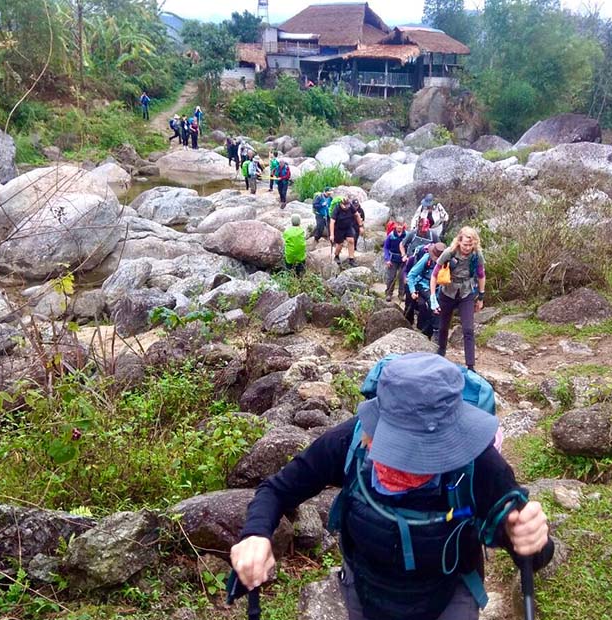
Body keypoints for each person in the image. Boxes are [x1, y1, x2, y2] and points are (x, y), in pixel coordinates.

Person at [230, 352, 553, 620]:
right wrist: (256, 534)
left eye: (424, 455)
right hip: (366, 591)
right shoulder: (350, 442)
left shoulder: (477, 464)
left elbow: (530, 555)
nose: (404, 465)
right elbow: (277, 490)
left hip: (448, 596)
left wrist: (530, 540)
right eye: (396, 449)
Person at [430, 227, 486, 372]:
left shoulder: (477, 255)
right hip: (447, 292)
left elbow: (481, 275)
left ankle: (470, 365)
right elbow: (435, 274)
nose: (467, 248)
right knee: (443, 327)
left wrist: (481, 296)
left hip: (466, 293)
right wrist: (432, 297)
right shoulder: (449, 252)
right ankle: (441, 353)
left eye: (470, 245)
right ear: (459, 241)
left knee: (468, 329)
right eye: (465, 244)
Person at [407, 242, 446, 339]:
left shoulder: (448, 262)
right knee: (432, 304)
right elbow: (411, 275)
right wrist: (412, 291)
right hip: (422, 285)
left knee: (435, 306)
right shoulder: (426, 258)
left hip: (439, 288)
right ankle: (435, 332)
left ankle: (428, 331)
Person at [330, 196, 363, 268]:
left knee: (351, 241)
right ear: (341, 204)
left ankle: (351, 259)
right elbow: (332, 222)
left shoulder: (350, 206)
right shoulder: (337, 209)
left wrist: (360, 226)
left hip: (348, 227)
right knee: (340, 244)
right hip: (338, 228)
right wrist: (332, 234)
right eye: (345, 205)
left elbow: (357, 215)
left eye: (347, 204)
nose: (346, 207)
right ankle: (336, 255)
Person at [382, 219, 407, 302]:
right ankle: (389, 293)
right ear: (395, 225)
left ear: (403, 225)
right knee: (391, 277)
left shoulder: (407, 235)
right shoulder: (391, 235)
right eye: (398, 224)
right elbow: (386, 247)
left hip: (403, 260)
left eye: (401, 224)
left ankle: (401, 294)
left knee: (402, 277)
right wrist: (387, 259)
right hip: (392, 259)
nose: (399, 226)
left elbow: (410, 246)